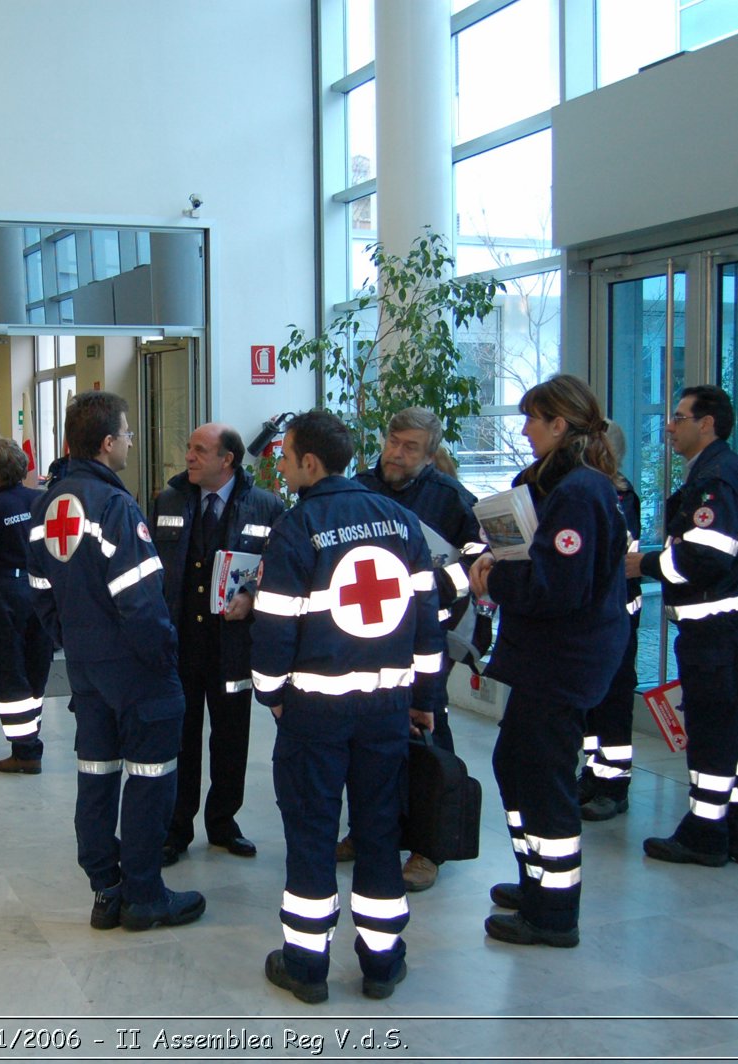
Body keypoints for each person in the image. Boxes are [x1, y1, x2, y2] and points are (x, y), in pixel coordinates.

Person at [253, 409, 442, 1005]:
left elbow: (274, 631)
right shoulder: (402, 521)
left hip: (314, 714)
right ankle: (383, 963)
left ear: (311, 462)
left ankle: (306, 967)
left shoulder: (295, 529)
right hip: (386, 711)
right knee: (380, 831)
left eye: (285, 458)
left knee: (312, 833)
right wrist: (424, 701)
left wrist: (272, 695)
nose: (280, 468)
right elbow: (426, 625)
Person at [27, 391, 205, 932]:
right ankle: (145, 897)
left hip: (85, 670)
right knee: (151, 778)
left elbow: (39, 591)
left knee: (96, 776)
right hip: (137, 670)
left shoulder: (48, 504)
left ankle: (106, 890)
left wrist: (76, 641)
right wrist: (163, 657)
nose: (130, 441)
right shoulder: (115, 507)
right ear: (107, 443)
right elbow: (142, 601)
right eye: (126, 434)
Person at [467, 374, 628, 948]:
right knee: (515, 764)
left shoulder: (581, 493)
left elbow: (558, 588)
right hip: (549, 657)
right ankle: (535, 880)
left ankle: (554, 911)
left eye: (533, 418)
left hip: (565, 660)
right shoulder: (559, 488)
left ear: (560, 424)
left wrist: (497, 574)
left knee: (543, 778)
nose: (525, 428)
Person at [628, 385, 738, 867]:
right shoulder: (723, 470)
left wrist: (642, 564)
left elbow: (703, 557)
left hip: (718, 627)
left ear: (706, 423)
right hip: (728, 624)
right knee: (730, 732)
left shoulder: (717, 478)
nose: (670, 425)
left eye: (680, 417)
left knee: (711, 731)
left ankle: (705, 834)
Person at [352, 406, 488, 891]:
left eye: (410, 447)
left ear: (430, 455)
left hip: (426, 637)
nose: (397, 453)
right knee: (368, 736)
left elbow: (475, 560)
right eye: (393, 441)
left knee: (427, 728)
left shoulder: (450, 499)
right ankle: (371, 830)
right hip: (368, 636)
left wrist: (433, 588)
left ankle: (429, 847)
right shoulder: (361, 488)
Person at [151, 422, 283, 866]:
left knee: (231, 738)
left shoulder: (266, 507)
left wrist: (254, 599)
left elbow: (282, 574)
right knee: (181, 738)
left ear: (227, 460)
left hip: (233, 647)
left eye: (200, 450)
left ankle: (224, 822)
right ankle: (176, 826)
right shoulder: (167, 501)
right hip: (181, 643)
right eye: (188, 447)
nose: (188, 456)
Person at [0, 436, 54, 773]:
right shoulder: (41, 500)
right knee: (36, 668)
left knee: (10, 669)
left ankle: (25, 750)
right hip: (40, 591)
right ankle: (33, 738)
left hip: (4, 592)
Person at [576, 420, 644, 822]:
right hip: (593, 619)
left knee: (614, 703)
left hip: (617, 617)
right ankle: (594, 771)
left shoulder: (619, 497)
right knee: (592, 702)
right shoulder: (593, 493)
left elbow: (616, 558)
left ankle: (614, 785)